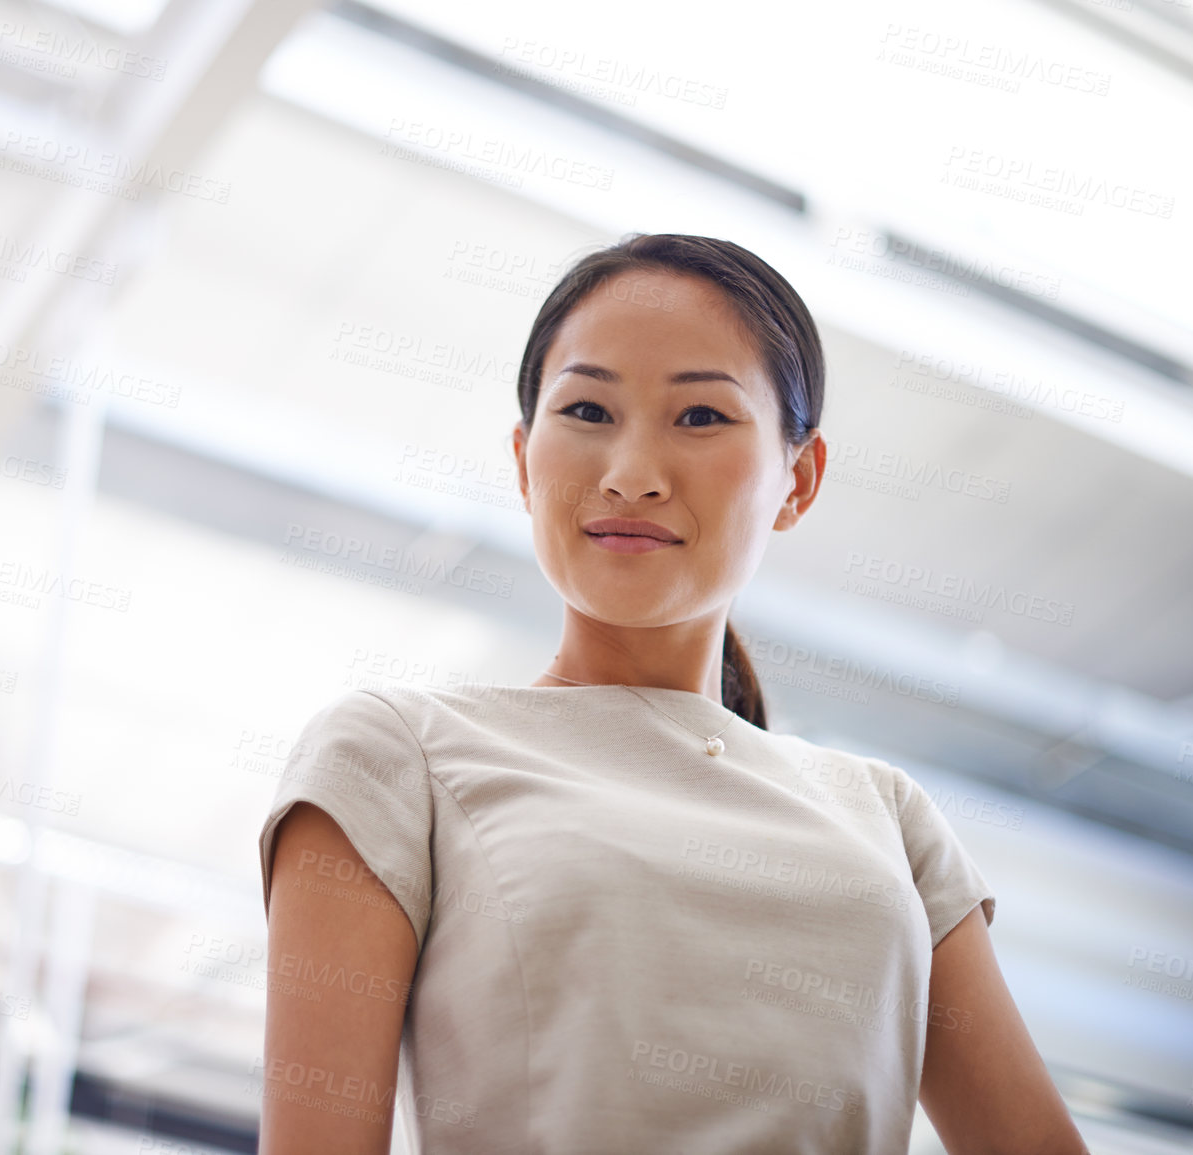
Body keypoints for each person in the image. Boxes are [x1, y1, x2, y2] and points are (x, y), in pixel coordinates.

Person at [256, 234, 1088, 1154]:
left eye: (699, 416)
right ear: (525, 459)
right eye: (585, 409)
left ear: (797, 478)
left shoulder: (887, 817)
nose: (630, 473)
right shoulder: (394, 755)